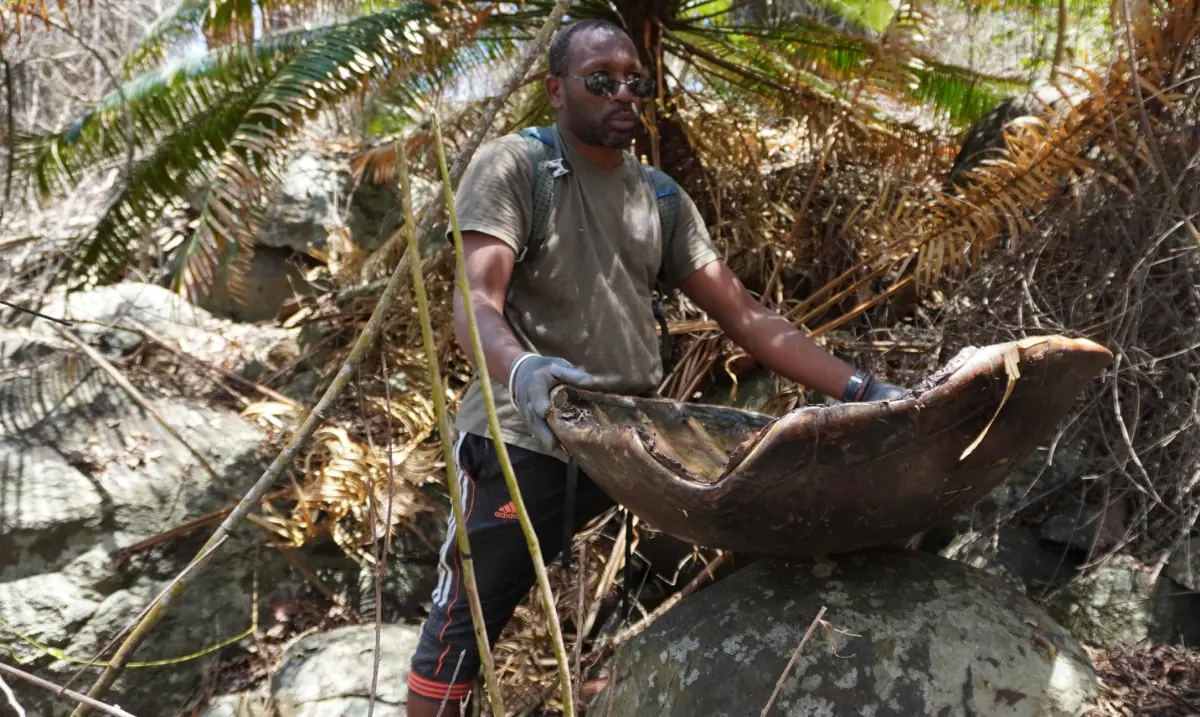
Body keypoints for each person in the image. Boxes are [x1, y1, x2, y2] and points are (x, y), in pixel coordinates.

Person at [405, 18, 904, 716]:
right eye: (600, 80)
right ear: (555, 89)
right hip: (526, 439)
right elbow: (475, 299)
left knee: (753, 536)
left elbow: (749, 318)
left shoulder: (661, 198)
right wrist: (522, 374)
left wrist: (866, 391)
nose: (623, 93)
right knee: (465, 629)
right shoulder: (515, 167)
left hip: (628, 443)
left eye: (635, 81)